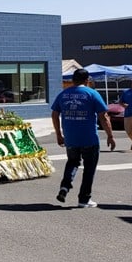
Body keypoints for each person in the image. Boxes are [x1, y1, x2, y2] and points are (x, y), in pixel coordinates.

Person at [51, 68, 116, 208]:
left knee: (72, 162)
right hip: (89, 138)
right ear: (87, 80)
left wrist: (58, 134)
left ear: (73, 80)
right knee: (89, 168)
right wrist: (110, 136)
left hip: (71, 137)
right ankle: (84, 199)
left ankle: (65, 186)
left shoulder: (63, 94)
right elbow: (104, 117)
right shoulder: (92, 94)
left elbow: (55, 114)